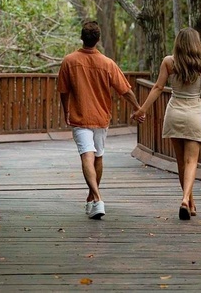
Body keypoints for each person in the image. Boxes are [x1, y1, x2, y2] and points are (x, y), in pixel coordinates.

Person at [57, 20, 144, 220]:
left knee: (87, 156)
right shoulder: (107, 63)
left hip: (80, 117)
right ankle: (94, 200)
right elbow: (125, 90)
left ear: (82, 38)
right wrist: (138, 108)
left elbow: (63, 91)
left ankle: (95, 198)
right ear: (98, 39)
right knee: (97, 157)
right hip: (101, 117)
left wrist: (66, 111)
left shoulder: (69, 61)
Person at [131, 27, 201, 220]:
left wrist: (143, 109)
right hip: (194, 112)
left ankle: (190, 203)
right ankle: (186, 200)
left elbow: (158, 87)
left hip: (174, 112)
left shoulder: (169, 61)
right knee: (191, 161)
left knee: (180, 162)